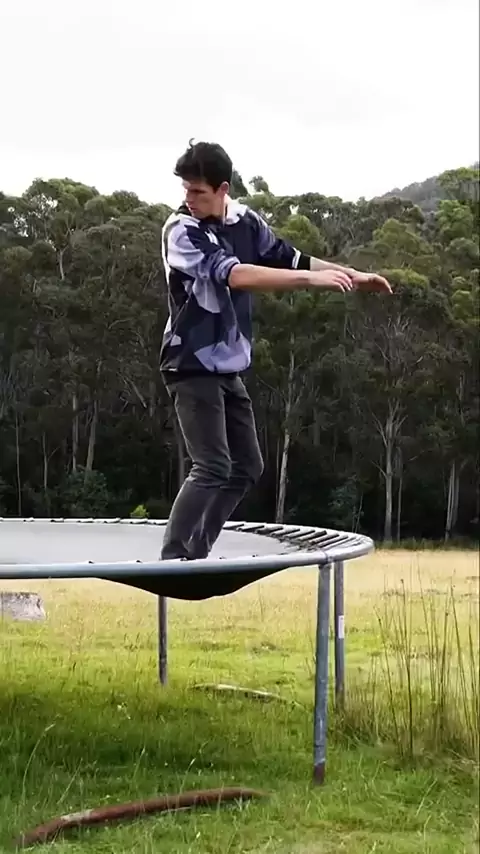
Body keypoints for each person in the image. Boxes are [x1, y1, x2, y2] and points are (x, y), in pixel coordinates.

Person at [159, 140, 392, 561]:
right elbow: (235, 275)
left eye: (198, 191)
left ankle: (196, 554)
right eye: (186, 190)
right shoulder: (181, 230)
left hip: (228, 366)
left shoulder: (245, 221)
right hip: (190, 363)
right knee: (211, 466)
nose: (189, 199)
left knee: (248, 466)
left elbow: (291, 258)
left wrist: (351, 274)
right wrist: (311, 284)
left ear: (223, 188)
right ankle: (173, 558)